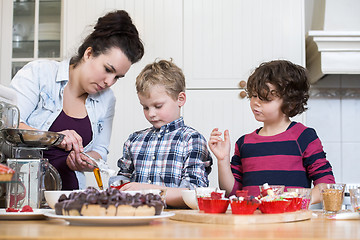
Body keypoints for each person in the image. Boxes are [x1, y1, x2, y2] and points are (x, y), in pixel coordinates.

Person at [10, 10, 144, 190]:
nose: (109, 82)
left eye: (117, 77)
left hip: (71, 198)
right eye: (107, 69)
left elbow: (100, 152)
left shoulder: (107, 100)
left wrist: (84, 161)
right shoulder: (39, 74)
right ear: (89, 53)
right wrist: (55, 138)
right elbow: (9, 126)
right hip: (23, 192)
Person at [208, 60, 335, 204]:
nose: (256, 102)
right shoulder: (244, 143)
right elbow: (233, 192)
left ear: (290, 103)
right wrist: (222, 160)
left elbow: (326, 184)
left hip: (291, 222)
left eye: (265, 99)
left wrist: (297, 200)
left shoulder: (303, 137)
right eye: (254, 96)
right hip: (253, 223)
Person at [111, 59, 213, 208]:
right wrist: (115, 185)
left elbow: (195, 192)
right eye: (145, 107)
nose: (151, 114)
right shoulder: (134, 140)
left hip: (178, 223)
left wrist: (148, 191)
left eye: (158, 106)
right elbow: (123, 178)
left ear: (180, 99)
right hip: (138, 218)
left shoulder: (192, 140)